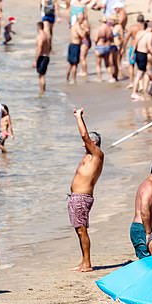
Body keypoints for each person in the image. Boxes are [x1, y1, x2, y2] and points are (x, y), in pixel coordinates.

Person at [67, 108, 103, 272]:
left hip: (81, 197)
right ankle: (84, 261)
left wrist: (78, 117)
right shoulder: (90, 156)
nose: (83, 144)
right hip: (76, 197)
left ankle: (87, 263)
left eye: (88, 142)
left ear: (93, 143)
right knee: (79, 231)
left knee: (82, 231)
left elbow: (84, 136)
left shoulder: (96, 154)